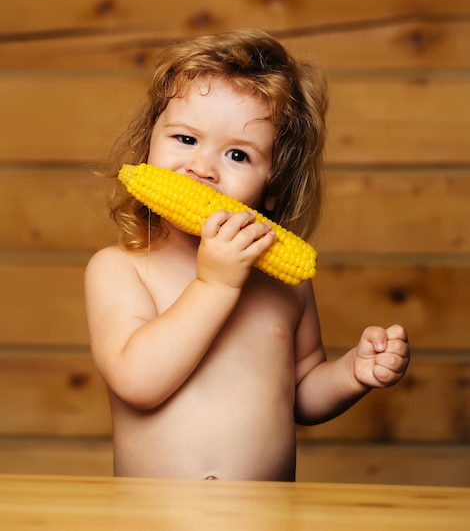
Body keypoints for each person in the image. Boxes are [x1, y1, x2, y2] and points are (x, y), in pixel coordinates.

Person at [85, 28, 409, 481]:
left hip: (267, 518)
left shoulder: (285, 284)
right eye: (185, 139)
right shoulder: (121, 269)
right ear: (147, 146)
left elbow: (300, 394)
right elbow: (138, 383)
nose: (203, 169)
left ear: (272, 188)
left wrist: (352, 374)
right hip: (153, 518)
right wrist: (214, 284)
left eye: (237, 154)